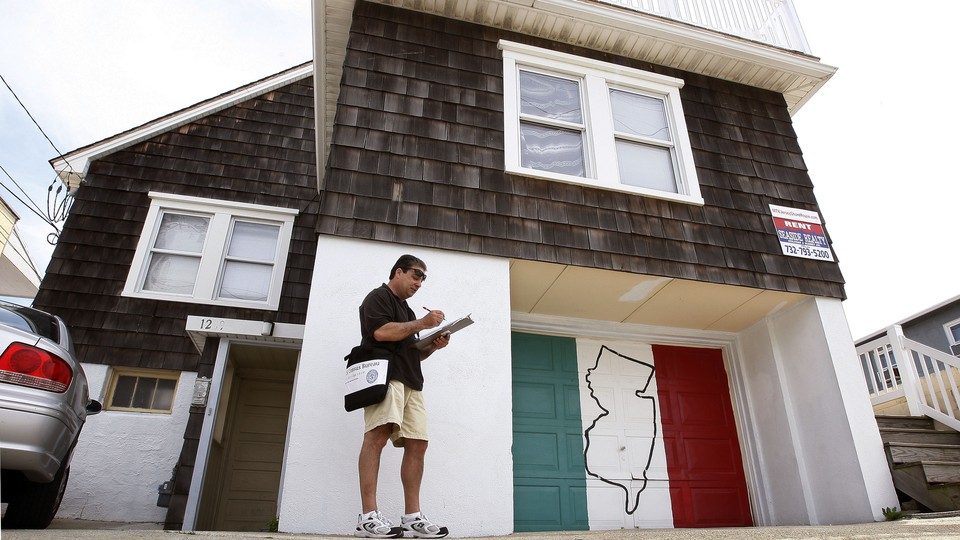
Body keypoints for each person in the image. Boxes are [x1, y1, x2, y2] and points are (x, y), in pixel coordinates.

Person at [354, 254, 451, 539]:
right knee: (377, 436)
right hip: (384, 378)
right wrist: (423, 323)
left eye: (424, 278)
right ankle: (367, 518)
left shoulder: (407, 311)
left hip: (411, 382)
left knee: (418, 444)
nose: (420, 282)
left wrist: (435, 344)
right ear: (399, 272)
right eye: (416, 275)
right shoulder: (378, 297)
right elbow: (381, 332)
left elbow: (413, 350)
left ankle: (412, 519)